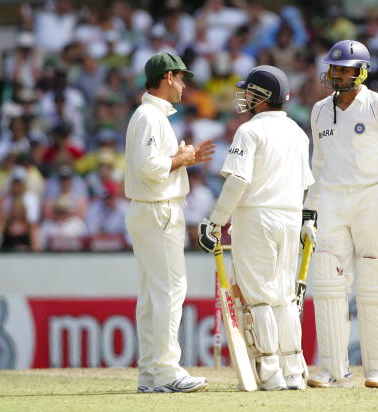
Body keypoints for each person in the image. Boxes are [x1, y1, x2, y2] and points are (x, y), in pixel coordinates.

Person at [303, 40, 378, 389]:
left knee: (374, 287)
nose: (335, 74)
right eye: (333, 68)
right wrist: (309, 209)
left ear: (361, 71)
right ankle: (333, 369)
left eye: (343, 69)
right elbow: (318, 164)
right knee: (326, 284)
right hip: (333, 201)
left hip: (374, 197)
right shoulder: (320, 110)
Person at [197, 65, 313, 391]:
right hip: (290, 217)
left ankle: (271, 373)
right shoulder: (298, 133)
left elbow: (238, 181)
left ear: (261, 97)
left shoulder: (249, 131)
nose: (244, 97)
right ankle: (294, 371)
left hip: (256, 217)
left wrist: (216, 220)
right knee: (284, 297)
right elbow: (305, 185)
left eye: (248, 91)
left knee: (260, 297)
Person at [124, 51, 215, 394]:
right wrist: (183, 158)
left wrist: (179, 158)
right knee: (169, 291)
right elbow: (150, 167)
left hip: (150, 209)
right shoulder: (150, 115)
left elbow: (151, 164)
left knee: (152, 295)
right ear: (168, 77)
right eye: (181, 78)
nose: (184, 85)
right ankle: (165, 371)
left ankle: (150, 373)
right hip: (158, 210)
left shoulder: (150, 115)